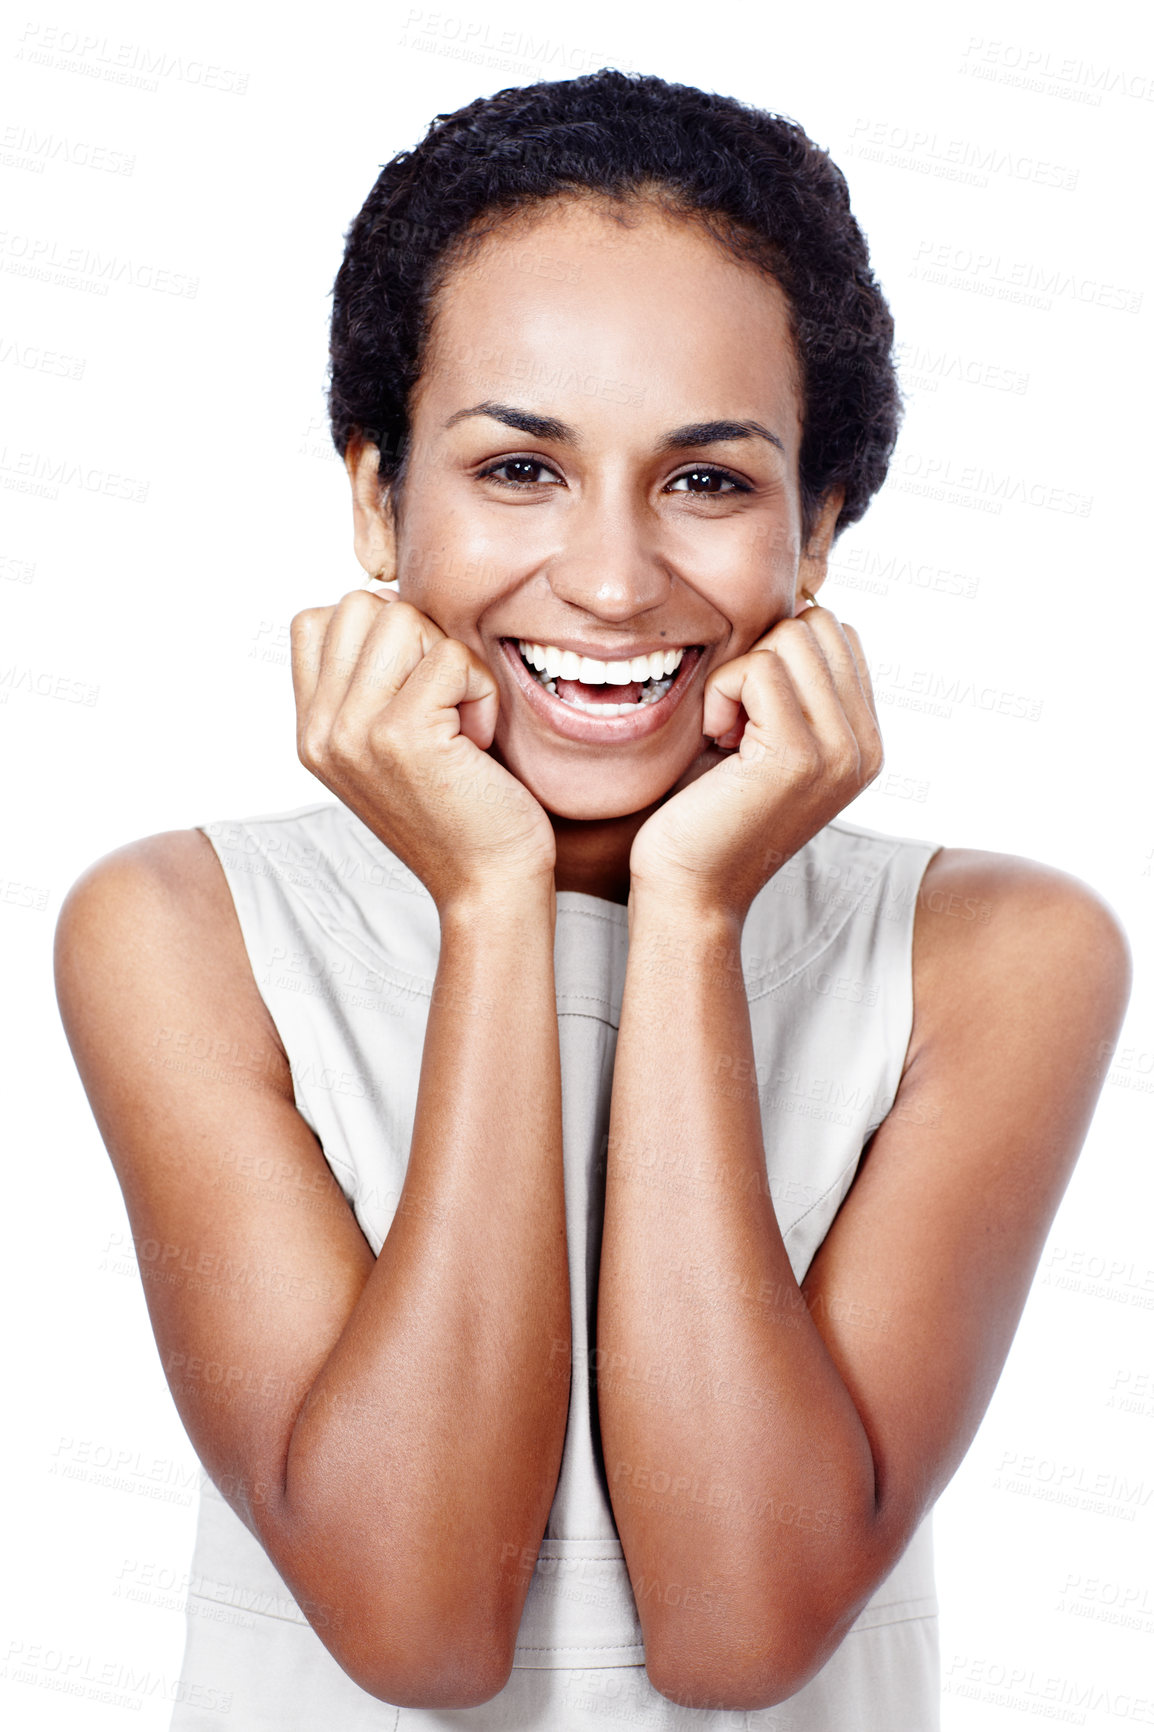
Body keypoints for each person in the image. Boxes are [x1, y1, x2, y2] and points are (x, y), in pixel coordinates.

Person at [54, 69, 1129, 1730]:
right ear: (372, 493)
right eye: (517, 471)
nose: (615, 579)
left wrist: (688, 918)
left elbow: (736, 1634)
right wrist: (492, 900)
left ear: (819, 528)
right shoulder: (184, 933)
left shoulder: (997, 957)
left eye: (706, 482)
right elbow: (418, 1630)